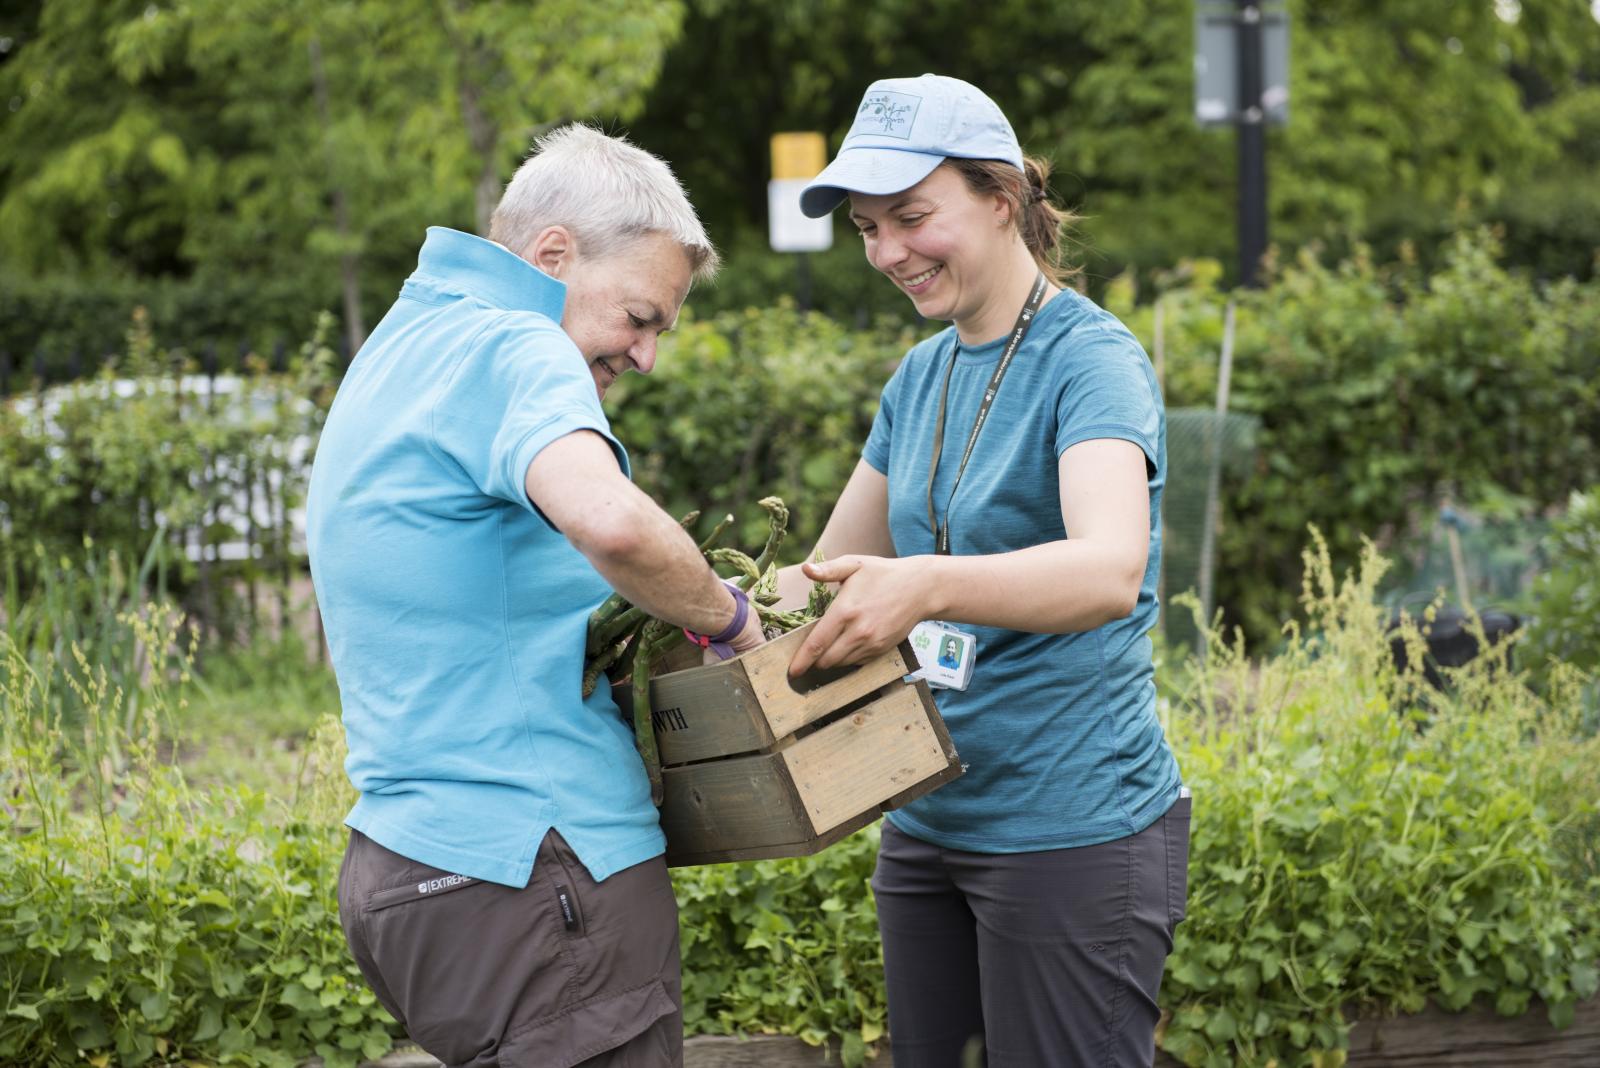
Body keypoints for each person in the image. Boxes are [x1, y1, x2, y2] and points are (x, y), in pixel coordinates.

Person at [306, 123, 764, 1068]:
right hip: (535, 868)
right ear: (553, 255)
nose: (645, 356)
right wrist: (730, 619)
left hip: (415, 865)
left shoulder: (407, 343)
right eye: (640, 317)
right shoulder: (517, 342)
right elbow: (614, 523)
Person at [778, 74, 1190, 1067]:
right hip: (926, 816)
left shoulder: (1090, 361)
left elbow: (1105, 568)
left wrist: (925, 583)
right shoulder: (920, 374)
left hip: (1069, 827)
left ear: (1001, 199)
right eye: (868, 228)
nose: (886, 252)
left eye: (912, 217)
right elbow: (821, 578)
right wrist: (685, 607)